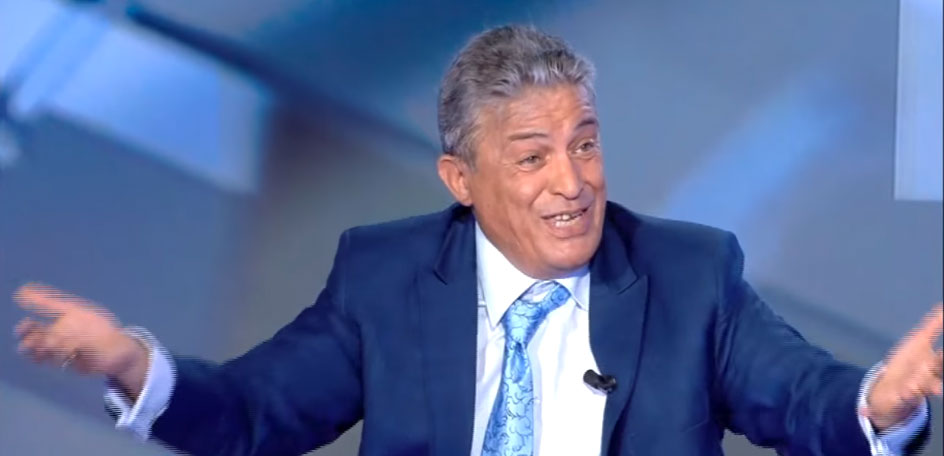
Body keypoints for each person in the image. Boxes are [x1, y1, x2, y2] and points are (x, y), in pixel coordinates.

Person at [12, 25, 942, 456]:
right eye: (533, 158)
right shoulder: (385, 275)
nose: (572, 182)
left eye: (585, 145)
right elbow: (253, 415)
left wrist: (880, 403)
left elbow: (806, 401)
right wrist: (131, 364)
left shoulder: (690, 275)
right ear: (461, 180)